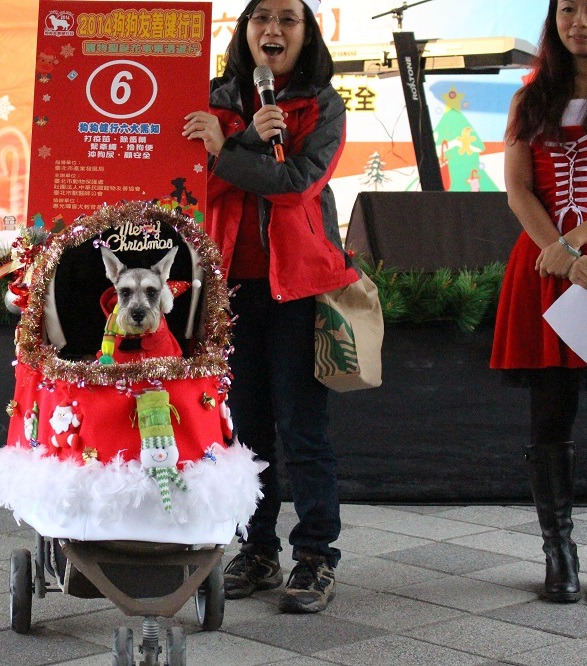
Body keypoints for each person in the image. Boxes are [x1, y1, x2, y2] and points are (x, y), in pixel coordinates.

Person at [182, 0, 356, 613]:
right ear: (245, 31)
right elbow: (190, 182)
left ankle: (315, 556)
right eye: (261, 18)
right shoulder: (214, 99)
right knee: (245, 428)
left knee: (302, 429)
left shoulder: (321, 105)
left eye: (288, 19)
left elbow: (300, 181)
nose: (273, 30)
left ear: (306, 34)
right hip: (228, 290)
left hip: (298, 289)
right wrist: (238, 141)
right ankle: (256, 549)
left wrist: (230, 150)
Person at [491, 0, 587, 604]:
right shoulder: (530, 97)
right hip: (543, 265)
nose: (580, 21)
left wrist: (576, 244)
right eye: (568, 8)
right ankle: (558, 554)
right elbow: (517, 187)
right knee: (549, 418)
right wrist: (558, 250)